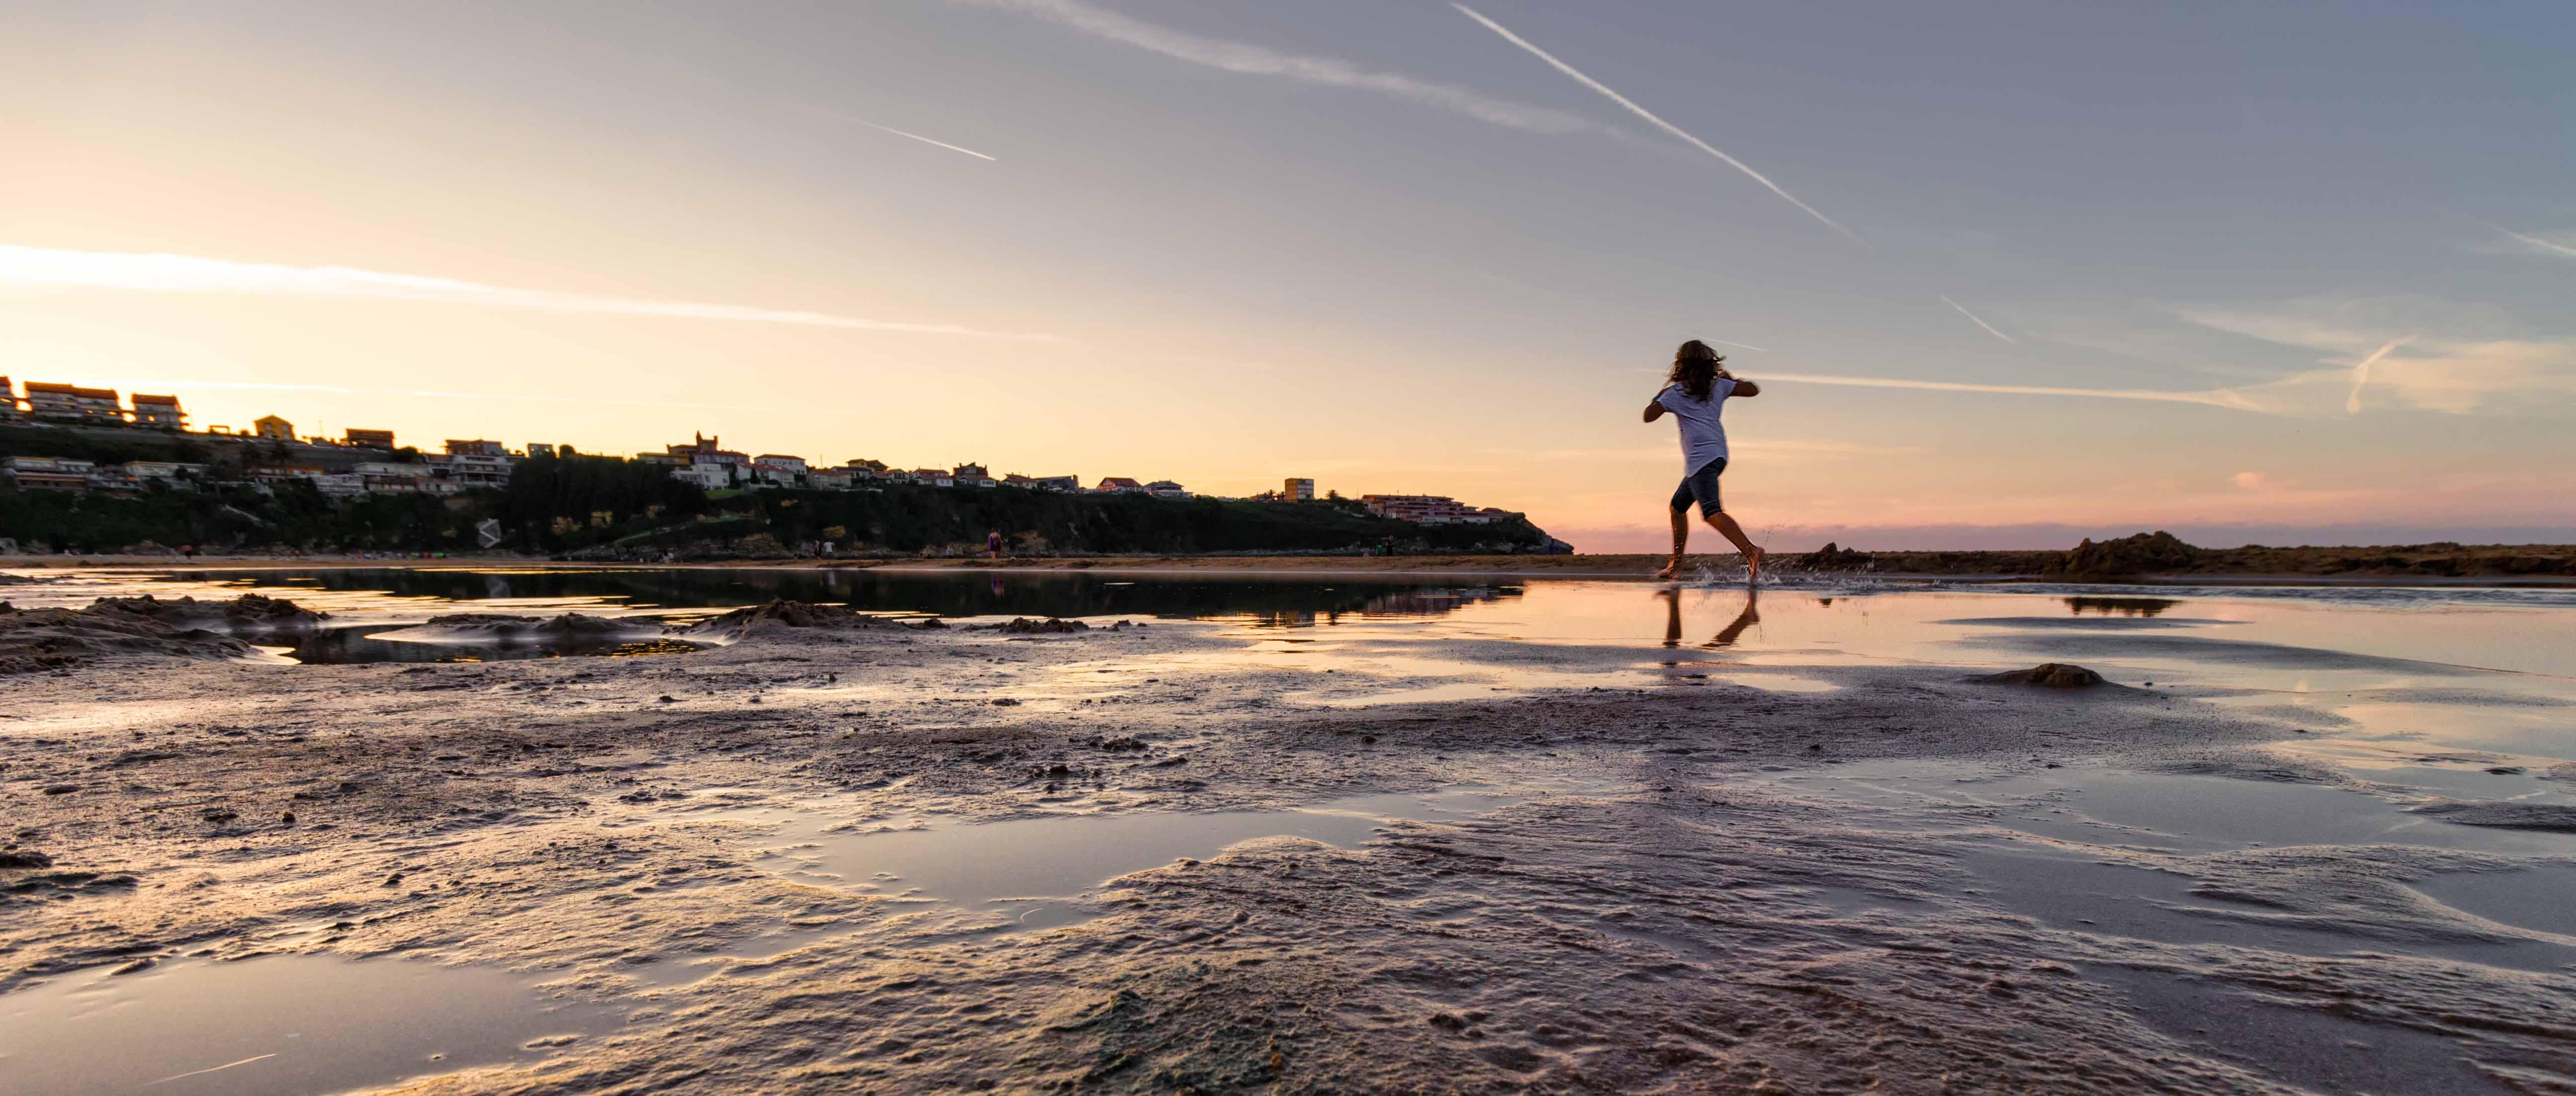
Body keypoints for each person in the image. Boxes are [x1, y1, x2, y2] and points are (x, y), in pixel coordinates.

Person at [1643, 339, 1766, 582]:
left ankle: (1751, 551)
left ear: (1681, 366)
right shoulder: (1718, 386)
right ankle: (1675, 565)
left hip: (1702, 460)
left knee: (1711, 512)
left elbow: (1649, 416)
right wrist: (1731, 381)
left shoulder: (1676, 393)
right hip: (1715, 456)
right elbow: (1753, 390)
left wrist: (1661, 395)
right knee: (1678, 507)